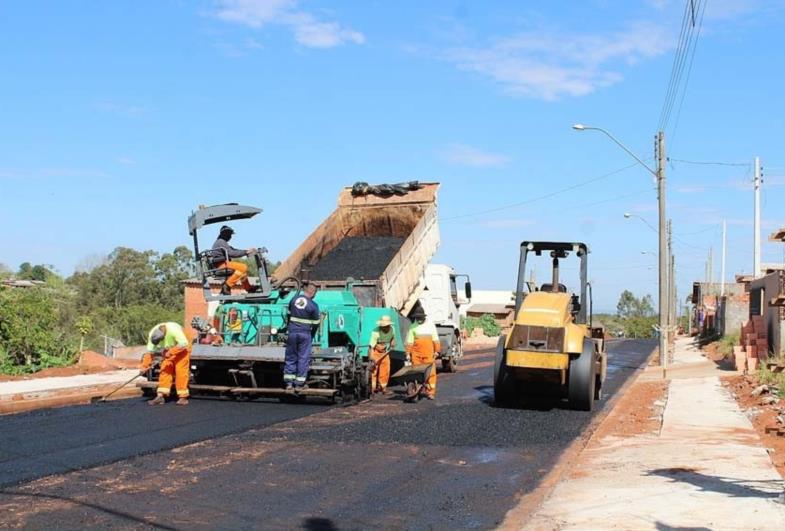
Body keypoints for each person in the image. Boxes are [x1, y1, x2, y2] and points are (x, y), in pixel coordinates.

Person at [140, 322, 191, 406]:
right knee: (165, 370)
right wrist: (144, 367)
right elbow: (150, 352)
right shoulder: (152, 334)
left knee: (180, 371)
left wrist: (171, 352)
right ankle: (160, 396)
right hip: (169, 349)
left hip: (183, 347)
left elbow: (183, 344)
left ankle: (183, 397)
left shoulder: (174, 330)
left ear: (163, 337)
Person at [284, 283, 320, 392]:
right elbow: (316, 323)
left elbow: (289, 314)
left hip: (292, 333)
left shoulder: (294, 300)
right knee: (303, 358)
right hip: (305, 334)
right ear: (313, 293)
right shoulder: (313, 305)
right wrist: (311, 335)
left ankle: (289, 384)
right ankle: (299, 384)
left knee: (290, 357)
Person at [405, 308, 441, 400]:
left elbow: (435, 339)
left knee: (430, 373)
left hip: (429, 354)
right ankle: (417, 389)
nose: (419, 320)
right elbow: (410, 342)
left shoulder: (430, 325)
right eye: (417, 318)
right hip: (416, 355)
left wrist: (437, 351)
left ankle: (430, 392)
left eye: (420, 318)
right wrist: (408, 353)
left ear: (423, 317)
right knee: (417, 373)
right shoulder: (413, 326)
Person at [211, 225, 257, 295]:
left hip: (223, 264)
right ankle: (227, 285)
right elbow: (232, 253)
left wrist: (246, 251)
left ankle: (248, 288)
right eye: (229, 234)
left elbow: (234, 250)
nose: (230, 237)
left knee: (243, 273)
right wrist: (245, 252)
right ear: (225, 234)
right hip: (222, 265)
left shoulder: (221, 242)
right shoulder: (221, 242)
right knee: (243, 267)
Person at [368, 315, 396, 394]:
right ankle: (372, 388)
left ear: (389, 325)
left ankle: (383, 388)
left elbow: (393, 339)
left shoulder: (392, 330)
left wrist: (392, 344)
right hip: (376, 352)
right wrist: (371, 358)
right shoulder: (375, 332)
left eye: (386, 326)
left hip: (385, 352)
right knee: (373, 370)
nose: (384, 328)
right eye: (383, 326)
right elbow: (371, 347)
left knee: (385, 369)